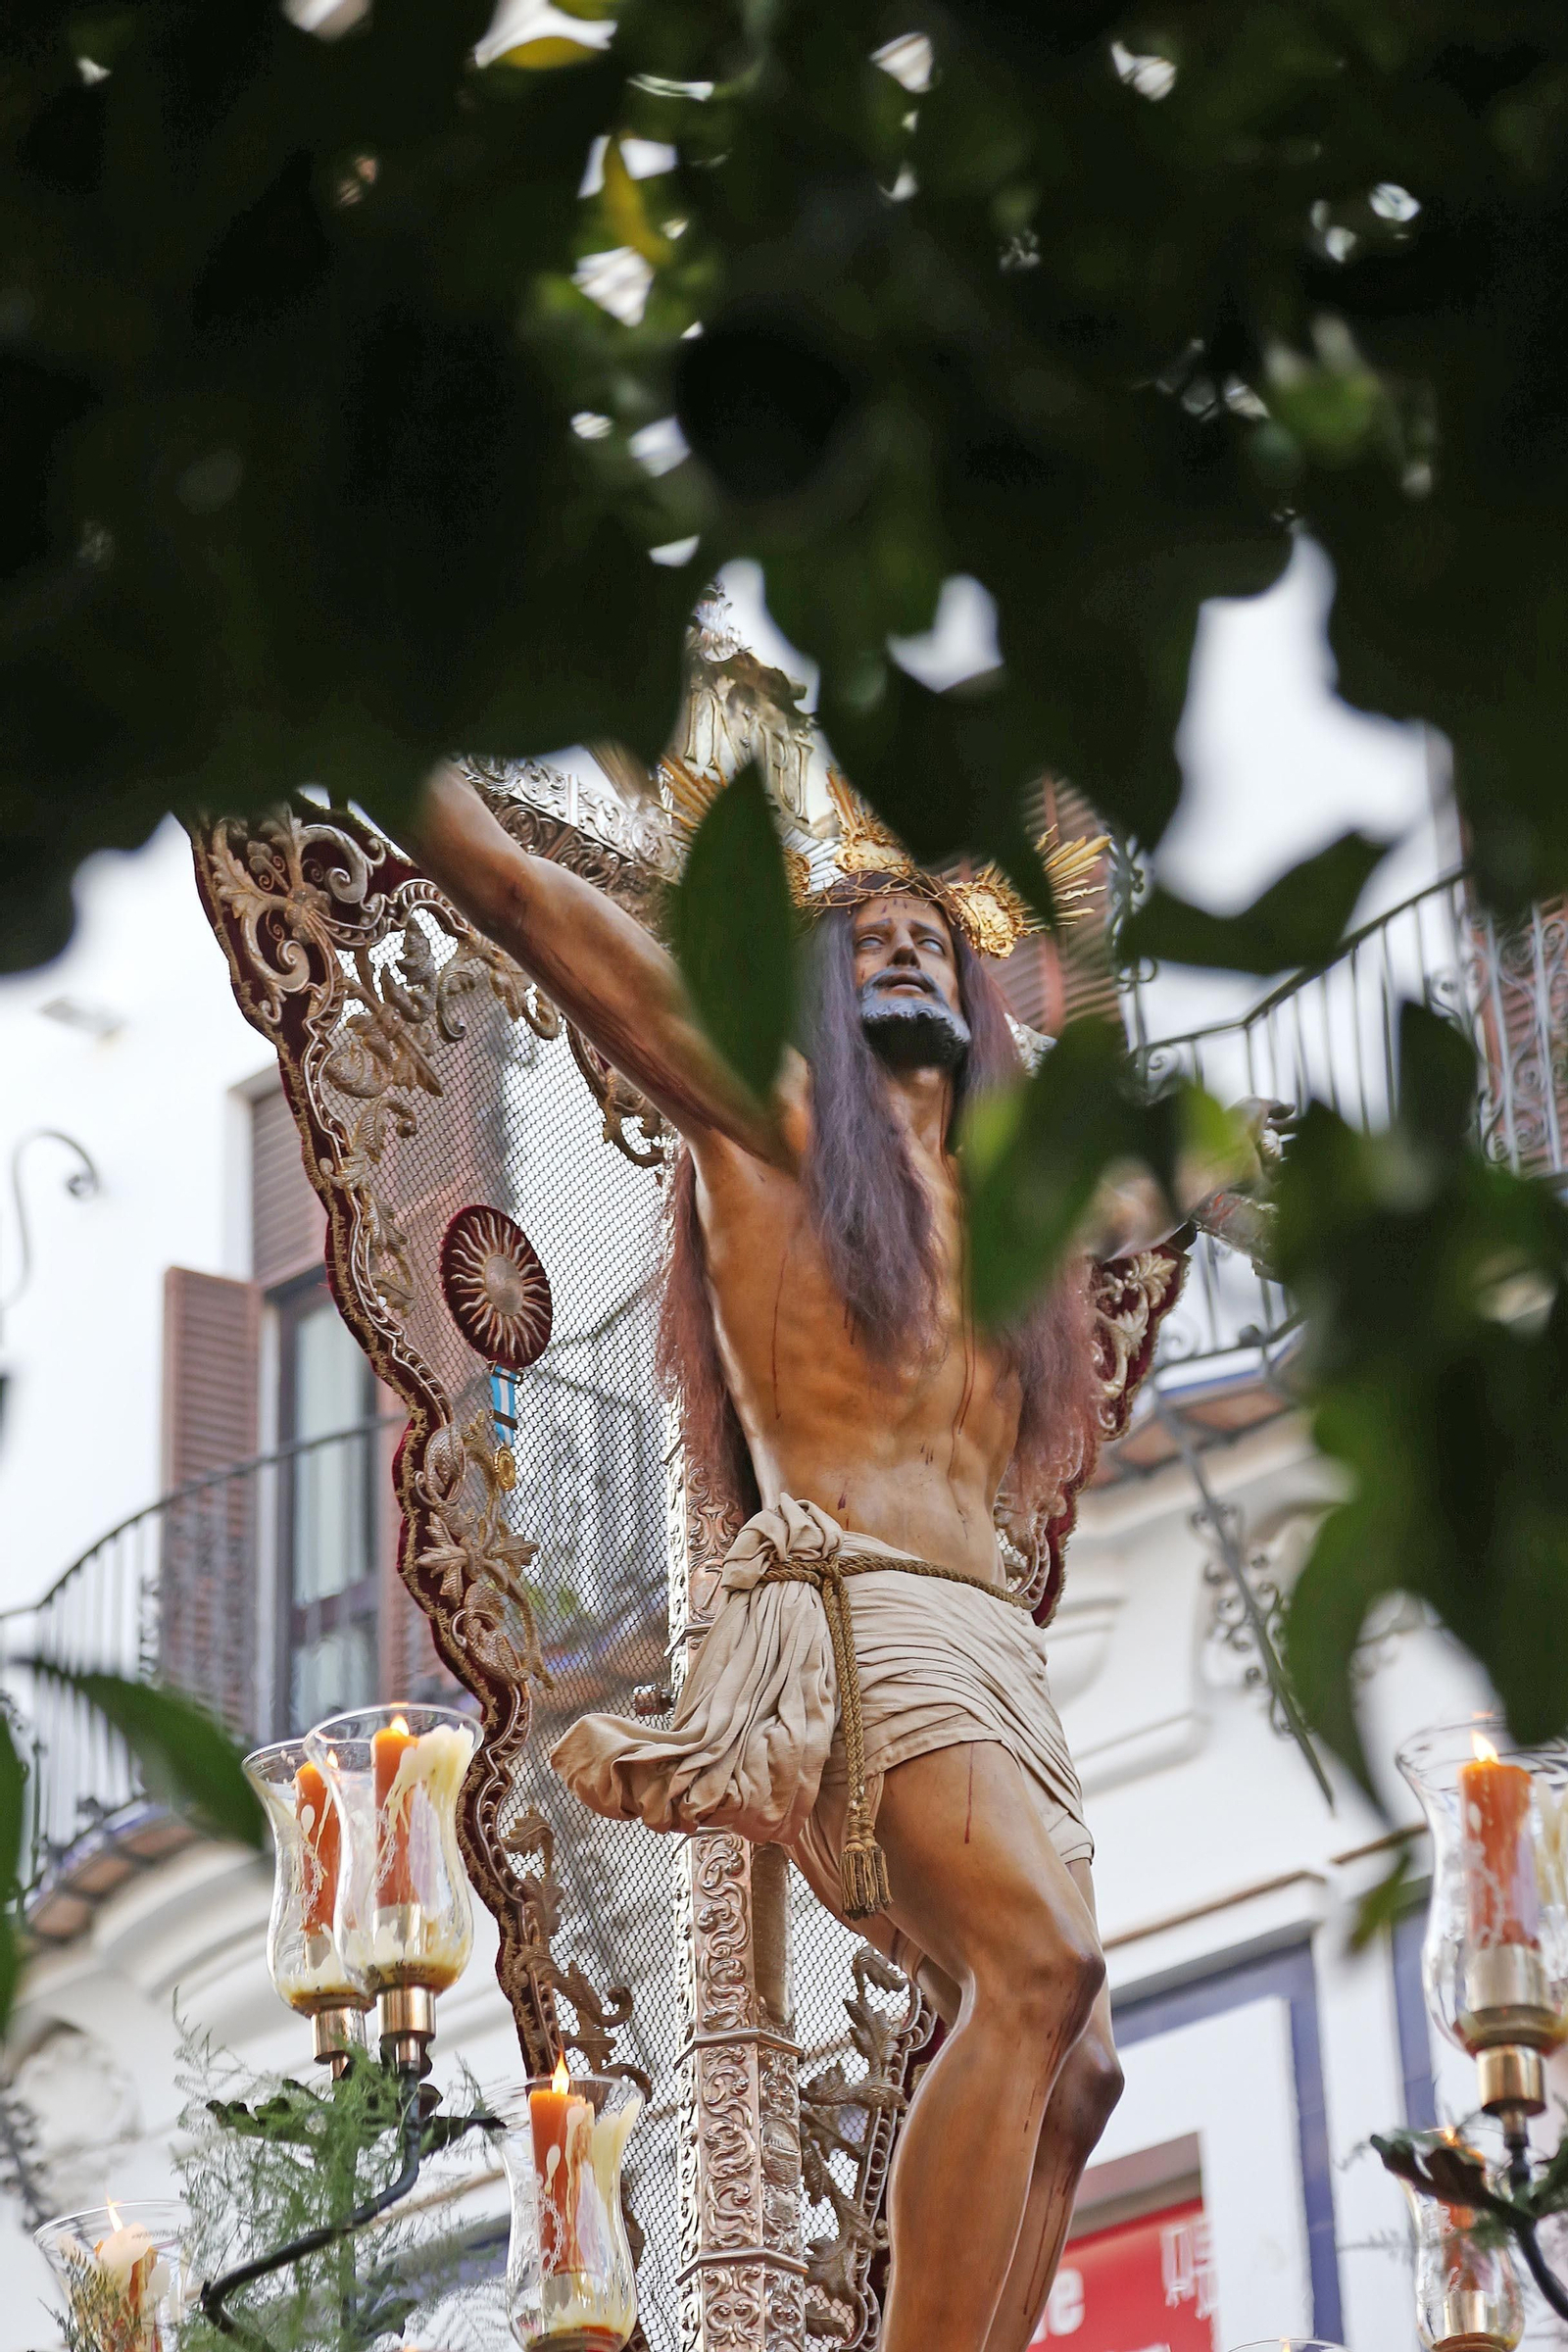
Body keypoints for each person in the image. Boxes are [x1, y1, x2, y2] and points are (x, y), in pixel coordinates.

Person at [416, 759, 1274, 2352]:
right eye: (869, 938)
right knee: (1038, 1961)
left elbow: (1184, 1164)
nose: (905, 952)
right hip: (865, 1619)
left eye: (934, 942)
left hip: (996, 1656)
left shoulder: (1011, 1221)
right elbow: (543, 912)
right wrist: (391, 760)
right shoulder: (776, 1118)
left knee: (1080, 2061)